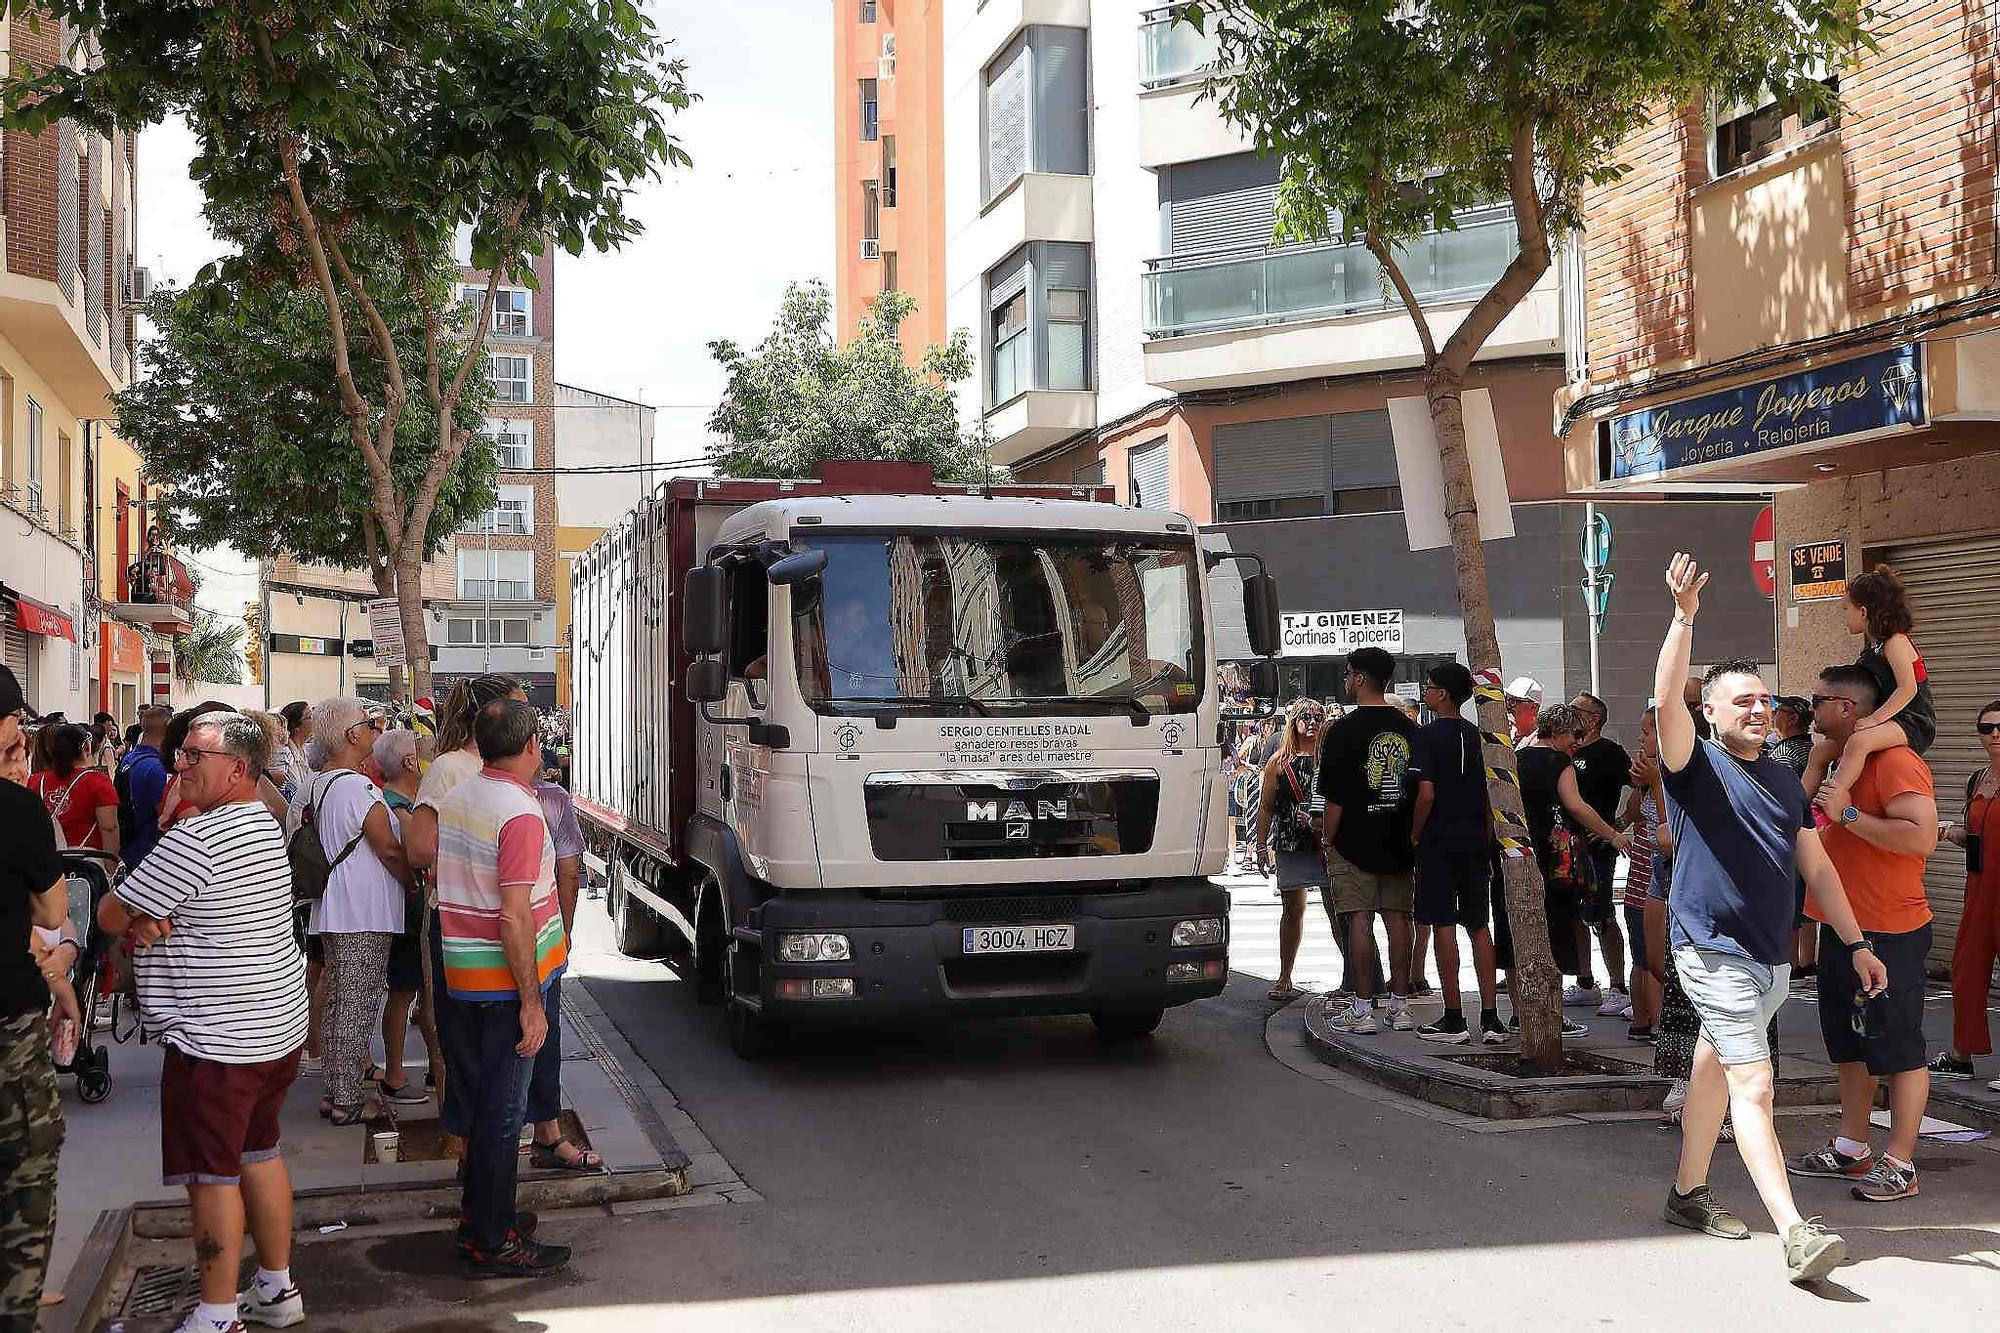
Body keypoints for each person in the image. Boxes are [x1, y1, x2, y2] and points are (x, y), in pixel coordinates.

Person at [1652, 552, 1886, 1285]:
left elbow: (1815, 864)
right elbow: (1664, 705)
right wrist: (1683, 618)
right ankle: (1796, 1230)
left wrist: (1856, 941)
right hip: (1712, 950)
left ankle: (1688, 1193)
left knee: (1711, 1075)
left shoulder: (1785, 777)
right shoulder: (1692, 764)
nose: (1756, 708)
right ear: (1711, 711)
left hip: (1768, 957)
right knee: (1754, 1085)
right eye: (1739, 700)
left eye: (1762, 699)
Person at [98, 711, 310, 1332]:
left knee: (212, 1177)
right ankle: (276, 1288)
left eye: (195, 756)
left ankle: (217, 1316)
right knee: (259, 1153)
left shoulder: (199, 840)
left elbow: (112, 912)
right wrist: (148, 914)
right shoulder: (258, 824)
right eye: (180, 754)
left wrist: (141, 917)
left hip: (216, 1037)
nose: (179, 765)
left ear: (238, 769)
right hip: (273, 1028)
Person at [1784, 664, 1938, 1203]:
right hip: (1842, 926)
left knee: (1897, 1048)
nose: (1810, 710)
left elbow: (1921, 839)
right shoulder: (1830, 757)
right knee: (1848, 1043)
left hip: (1890, 928)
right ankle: (1853, 1147)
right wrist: (1818, 764)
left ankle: (1901, 1161)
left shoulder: (1895, 761)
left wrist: (1848, 814)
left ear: (1847, 709)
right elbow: (1794, 819)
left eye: (1818, 700)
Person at [431, 698, 572, 1277]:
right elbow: (514, 916)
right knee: (503, 1115)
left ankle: (483, 1220)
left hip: (464, 979)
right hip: (504, 986)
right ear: (531, 747)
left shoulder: (462, 795)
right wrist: (532, 1004)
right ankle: (493, 1239)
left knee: (485, 1105)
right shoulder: (519, 812)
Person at [0, 665, 71, 1325]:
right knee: (26, 1163)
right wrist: (58, 969)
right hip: (8, 1022)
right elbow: (53, 911)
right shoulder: (18, 809)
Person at [302, 698, 410, 1127]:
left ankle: (337, 1089)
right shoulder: (354, 788)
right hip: (360, 911)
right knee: (356, 1003)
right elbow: (386, 845)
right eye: (368, 725)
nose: (373, 731)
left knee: (341, 1001)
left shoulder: (322, 783)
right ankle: (347, 1098)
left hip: (338, 908)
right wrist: (410, 877)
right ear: (351, 736)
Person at [1317, 648, 1419, 1035]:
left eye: (1347, 674)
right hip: (1399, 837)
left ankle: (1362, 1009)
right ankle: (1400, 1005)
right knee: (1398, 920)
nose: (1345, 681)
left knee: (1359, 920)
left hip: (1353, 840)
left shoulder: (1342, 731)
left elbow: (1335, 796)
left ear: (1359, 678)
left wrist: (1329, 839)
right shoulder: (1410, 728)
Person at [1515, 703, 1630, 1040]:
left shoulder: (1518, 757)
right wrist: (1613, 834)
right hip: (1557, 859)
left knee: (1531, 929)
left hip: (1523, 853)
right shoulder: (1558, 761)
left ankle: (1525, 1012)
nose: (1577, 742)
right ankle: (1552, 1013)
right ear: (1561, 731)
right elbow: (1575, 805)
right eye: (1575, 735)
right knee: (1560, 928)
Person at [1409, 663, 1503, 1044]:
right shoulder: (1481, 736)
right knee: (1480, 926)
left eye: (1429, 687)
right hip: (1475, 841)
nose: (1425, 693)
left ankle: (1453, 1016)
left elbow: (1426, 793)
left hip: (1437, 841)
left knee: (1443, 924)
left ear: (1444, 694)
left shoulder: (1426, 737)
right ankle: (1491, 1017)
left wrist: (1414, 834)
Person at [1806, 564, 1937, 818]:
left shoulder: (1895, 642)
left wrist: (1875, 719)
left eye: (1846, 608)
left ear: (1863, 611)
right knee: (1821, 750)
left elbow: (1907, 688)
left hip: (1913, 721)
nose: (1844, 616)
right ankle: (1798, 809)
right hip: (1890, 718)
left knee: (1859, 742)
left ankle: (1833, 796)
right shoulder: (1872, 647)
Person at [527, 773, 603, 1171]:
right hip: (535, 943)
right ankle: (546, 1133)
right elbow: (568, 872)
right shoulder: (548, 799)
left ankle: (475, 1150)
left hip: (474, 955)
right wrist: (566, 932)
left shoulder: (462, 789)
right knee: (540, 1035)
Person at [1933, 701, 2000, 1091]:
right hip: (1978, 886)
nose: (1994, 734)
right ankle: (1961, 1054)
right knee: (1967, 971)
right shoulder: (1978, 779)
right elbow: (1978, 837)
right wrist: (1954, 832)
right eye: (1986, 727)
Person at [368, 728, 436, 1105]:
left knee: (423, 990)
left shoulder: (404, 801)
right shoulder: (397, 806)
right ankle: (394, 1072)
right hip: (410, 910)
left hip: (414, 907)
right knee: (404, 990)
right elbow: (416, 854)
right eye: (422, 752)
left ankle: (432, 1066)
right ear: (410, 762)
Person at [1255, 701, 1330, 1003]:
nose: (1312, 723)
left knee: (1337, 912)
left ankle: (1353, 980)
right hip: (1289, 841)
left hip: (1325, 842)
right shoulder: (1278, 761)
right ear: (1293, 722)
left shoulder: (1329, 758)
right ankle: (1285, 976)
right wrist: (1261, 847)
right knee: (1292, 910)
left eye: (1318, 718)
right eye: (1305, 718)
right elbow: (1265, 807)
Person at [1567, 693, 1632, 1016]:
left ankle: (1618, 985)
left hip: (1598, 850)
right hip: (1567, 847)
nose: (1569, 713)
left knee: (1603, 916)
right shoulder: (1566, 750)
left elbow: (1642, 786)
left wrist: (1616, 825)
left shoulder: (1610, 754)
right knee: (1576, 915)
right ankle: (1585, 981)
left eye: (1575, 710)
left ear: (1592, 719)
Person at [1620, 710, 1666, 1042]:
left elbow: (1668, 830)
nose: (1641, 738)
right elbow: (1634, 814)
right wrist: (1641, 784)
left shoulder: (1671, 778)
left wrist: (1655, 782)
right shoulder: (1650, 778)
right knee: (1642, 953)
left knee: (1658, 959)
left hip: (1662, 875)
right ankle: (1642, 1018)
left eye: (1647, 732)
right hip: (1642, 877)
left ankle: (1661, 1024)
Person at [30, 723, 122, 857]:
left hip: (46, 859)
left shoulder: (35, 780)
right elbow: (109, 827)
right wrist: (111, 863)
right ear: (86, 747)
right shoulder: (98, 781)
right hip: (87, 859)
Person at [116, 704, 174, 868]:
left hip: (128, 845)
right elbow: (164, 815)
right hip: (148, 851)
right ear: (168, 729)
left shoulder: (128, 759)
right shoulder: (155, 767)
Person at [1767, 697, 1813, 775]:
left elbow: (1780, 785)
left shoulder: (1785, 755)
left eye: (1778, 710)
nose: (1773, 713)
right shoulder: (1809, 746)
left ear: (1793, 718)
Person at [1505, 678, 1542, 748]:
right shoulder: (1508, 732)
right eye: (1506, 700)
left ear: (1534, 707)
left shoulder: (1540, 741)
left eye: (1513, 701)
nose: (1507, 706)